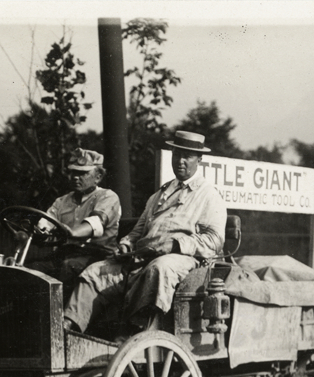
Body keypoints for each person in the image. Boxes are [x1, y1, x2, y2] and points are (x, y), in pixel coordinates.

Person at [63, 130, 226, 335]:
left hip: (183, 260)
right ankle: (69, 329)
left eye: (188, 156)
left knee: (159, 268)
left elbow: (214, 240)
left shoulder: (209, 195)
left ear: (199, 159)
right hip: (141, 257)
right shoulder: (161, 193)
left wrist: (174, 245)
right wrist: (126, 244)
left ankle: (132, 333)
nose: (180, 161)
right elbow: (137, 231)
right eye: (177, 154)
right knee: (96, 272)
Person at [25, 148, 121, 287]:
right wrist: (34, 231)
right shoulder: (62, 201)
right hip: (66, 254)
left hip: (98, 255)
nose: (75, 177)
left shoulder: (107, 196)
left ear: (98, 176)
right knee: (31, 268)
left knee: (69, 266)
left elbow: (96, 222)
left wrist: (71, 232)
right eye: (73, 172)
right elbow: (45, 224)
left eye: (82, 173)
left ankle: (62, 307)